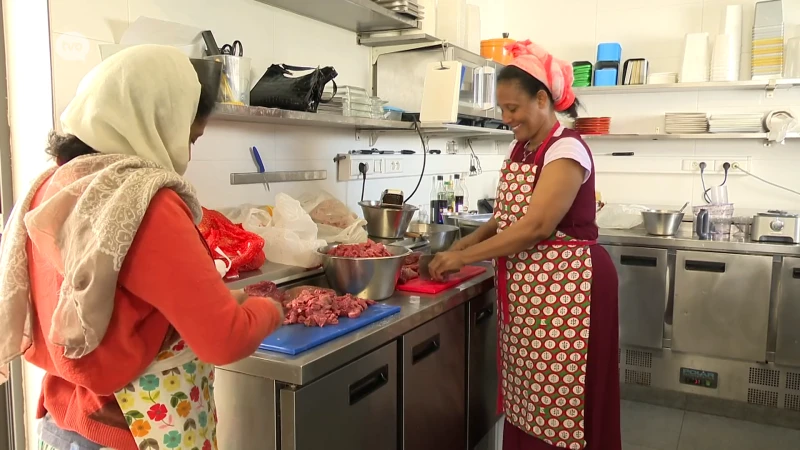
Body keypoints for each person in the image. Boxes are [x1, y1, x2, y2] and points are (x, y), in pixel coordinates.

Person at [0, 45, 284, 450]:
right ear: (155, 121)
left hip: (61, 427)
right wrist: (273, 307)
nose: (185, 154)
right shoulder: (145, 202)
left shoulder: (51, 186)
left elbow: (123, 306)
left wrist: (231, 298)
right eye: (189, 136)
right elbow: (225, 339)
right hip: (131, 431)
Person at [429, 40, 621, 450]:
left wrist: (461, 256)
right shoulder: (524, 147)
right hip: (534, 293)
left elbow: (535, 226)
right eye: (501, 109)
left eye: (512, 108)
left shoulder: (566, 148)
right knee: (529, 396)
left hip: (571, 292)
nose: (506, 118)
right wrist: (460, 246)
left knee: (563, 399)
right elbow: (506, 217)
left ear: (541, 99)